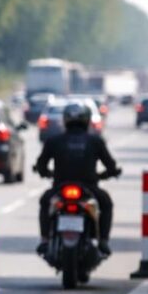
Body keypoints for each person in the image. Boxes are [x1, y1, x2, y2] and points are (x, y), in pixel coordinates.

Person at [34, 102, 121, 256]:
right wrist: (109, 173)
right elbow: (111, 165)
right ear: (87, 120)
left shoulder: (54, 141)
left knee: (45, 201)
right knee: (106, 203)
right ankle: (103, 241)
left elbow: (41, 165)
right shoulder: (95, 141)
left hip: (60, 187)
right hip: (89, 187)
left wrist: (45, 172)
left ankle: (45, 239)